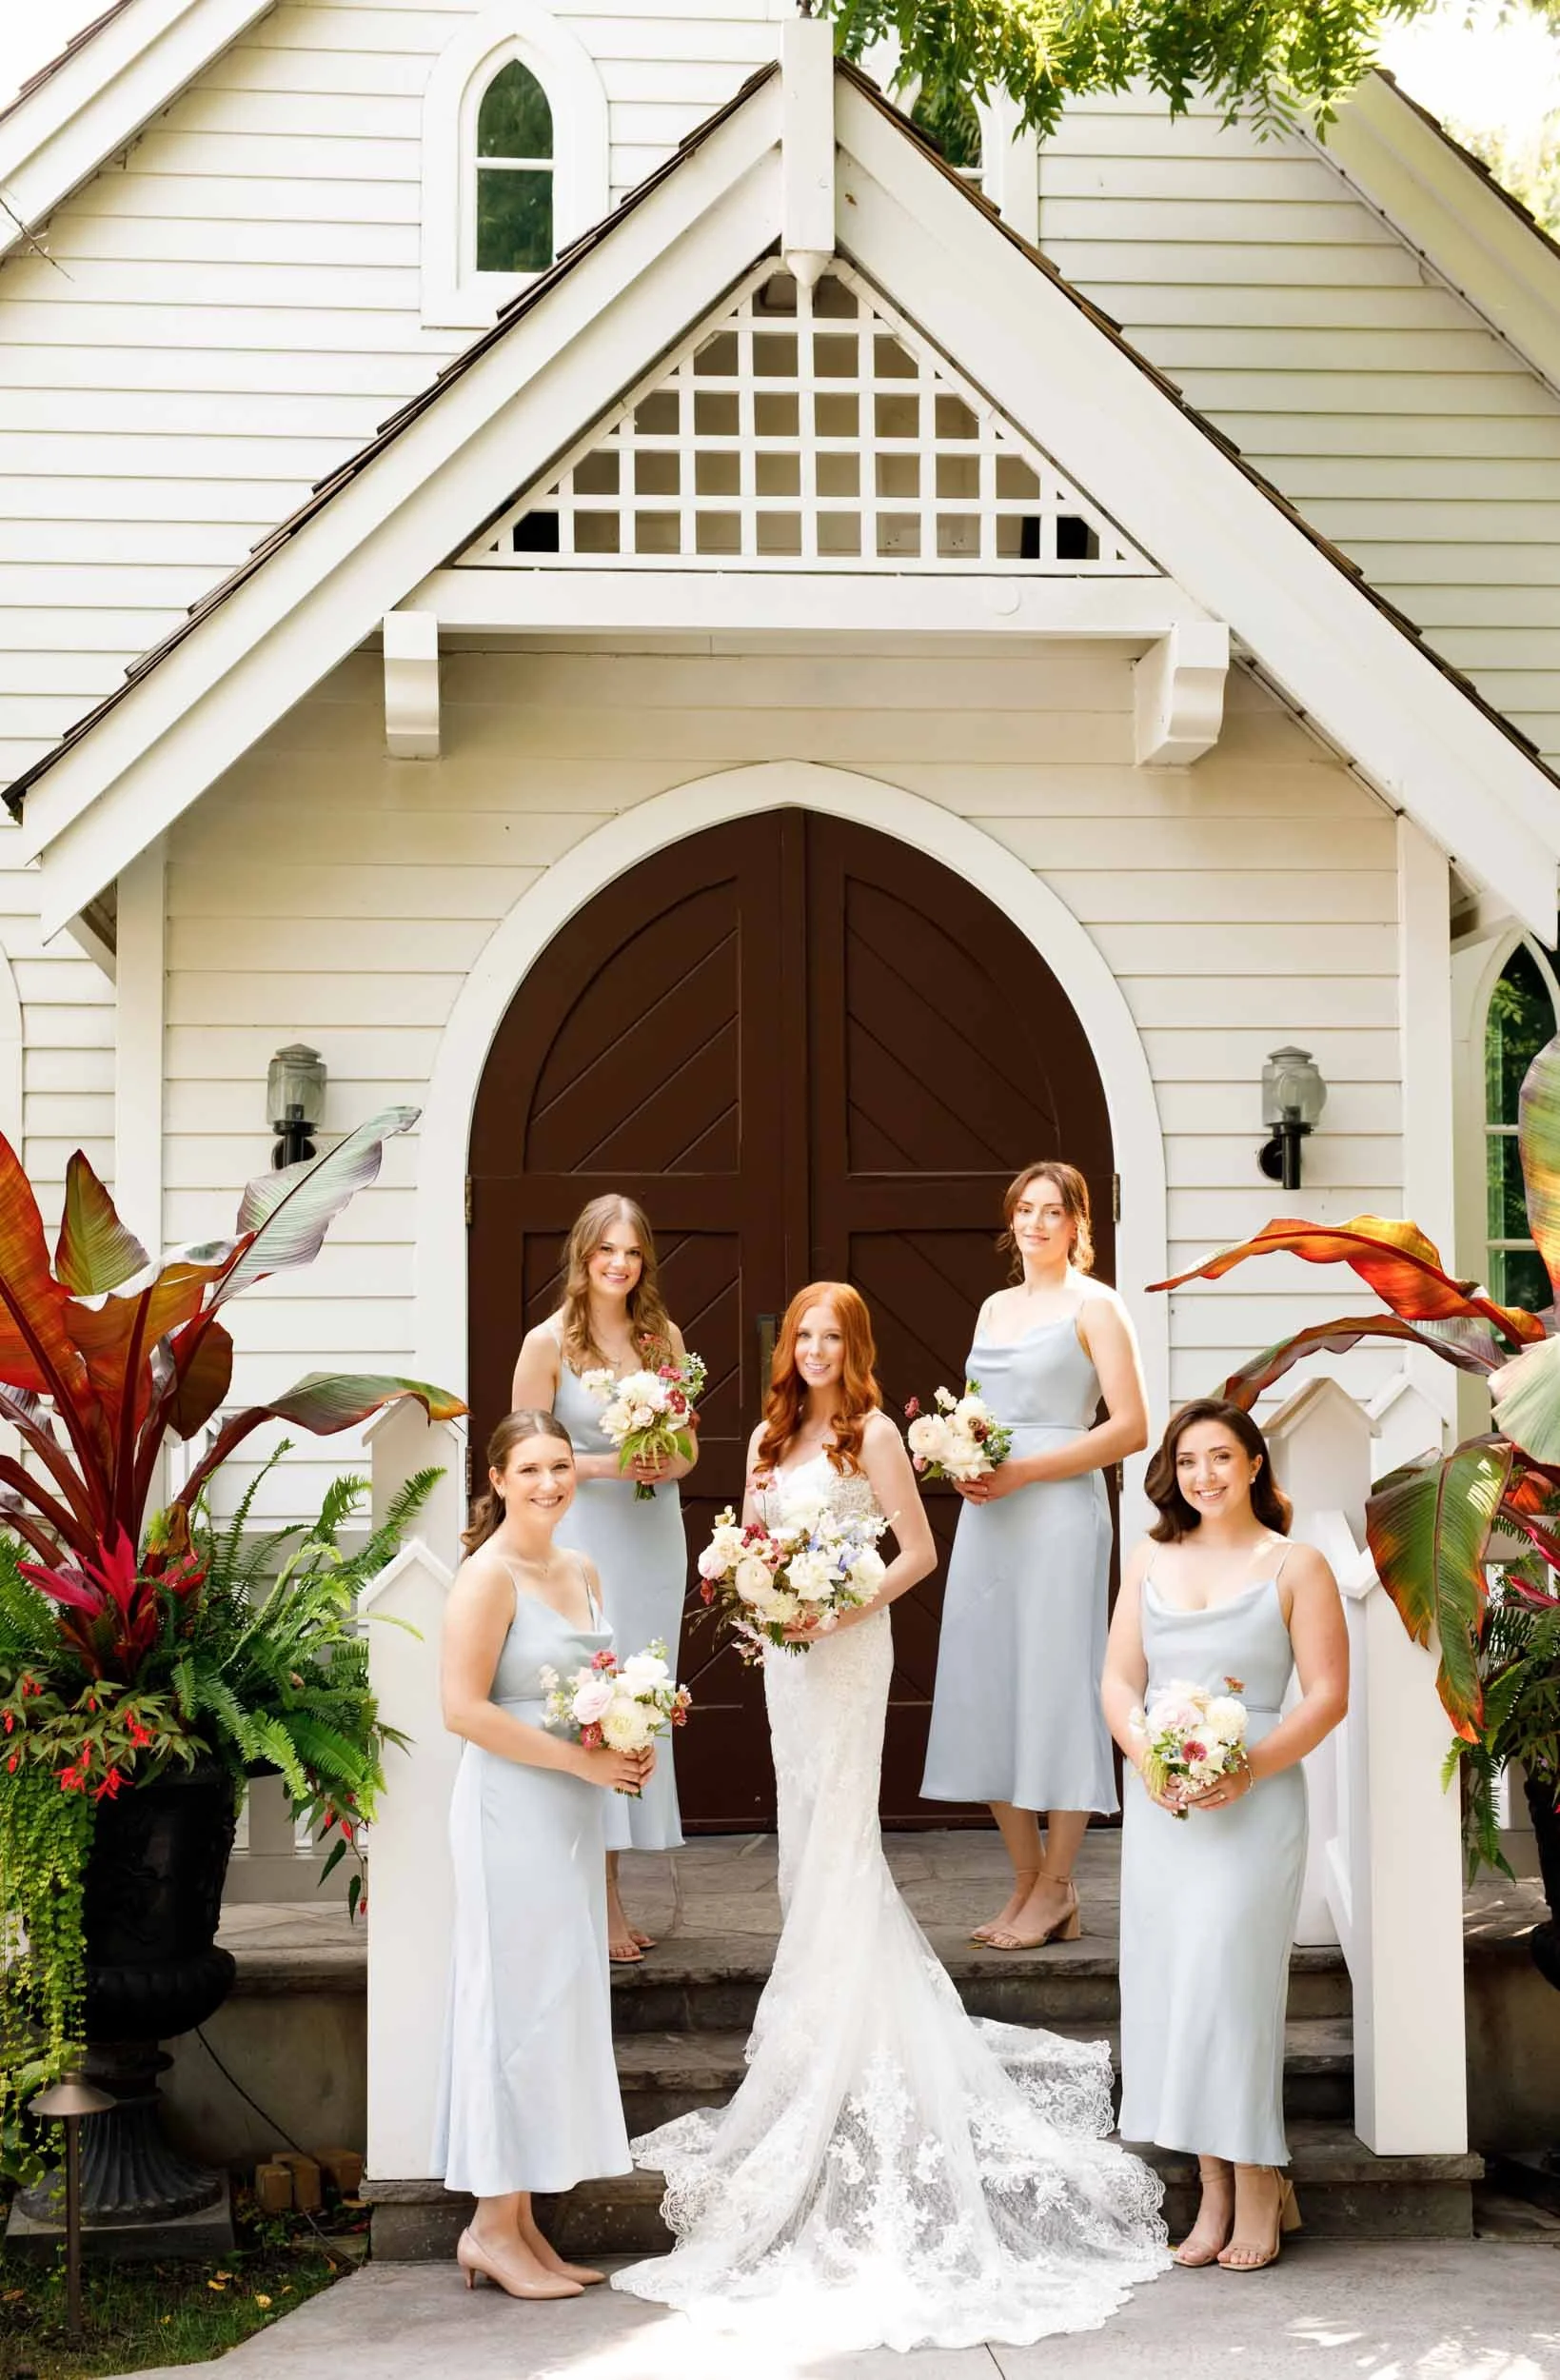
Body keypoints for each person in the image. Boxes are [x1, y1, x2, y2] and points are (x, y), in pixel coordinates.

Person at [612, 1285, 1169, 2352]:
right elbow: (735, 1546)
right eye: (802, 1335)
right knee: (802, 1825)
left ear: (854, 1347)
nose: (815, 1349)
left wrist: (838, 1603)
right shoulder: (771, 1434)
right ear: (789, 1348)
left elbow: (916, 1550)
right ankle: (811, 2011)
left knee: (841, 1833)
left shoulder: (872, 1432)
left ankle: (843, 2026)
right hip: (785, 1658)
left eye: (832, 1335)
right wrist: (750, 1592)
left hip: (850, 1648)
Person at [1103, 1398, 1349, 2272]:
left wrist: (1245, 1769)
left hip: (1256, 1802)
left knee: (1232, 1994)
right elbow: (1118, 1680)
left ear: (1253, 1464)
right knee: (1176, 1993)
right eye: (1188, 1460)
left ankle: (1258, 2183)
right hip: (1167, 1810)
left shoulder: (1297, 1565)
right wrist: (1150, 1759)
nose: (1203, 1475)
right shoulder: (1149, 1557)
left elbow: (1324, 1696)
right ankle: (1211, 2187)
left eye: (1220, 1457)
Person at [432, 1409, 652, 2299]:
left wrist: (626, 1734)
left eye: (559, 1466)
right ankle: (489, 2224)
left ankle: (521, 2223)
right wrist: (580, 1760)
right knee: (509, 2010)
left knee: (551, 2003)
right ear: (496, 1480)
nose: (548, 1484)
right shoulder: (486, 1578)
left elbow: (591, 1686)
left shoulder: (582, 1567)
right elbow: (463, 1710)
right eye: (528, 1470)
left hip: (569, 1814)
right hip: (508, 1814)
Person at [921, 1162, 1149, 1950]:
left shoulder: (1097, 1306)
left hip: (1057, 1511)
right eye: (1025, 1210)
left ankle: (1057, 1884)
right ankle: (1025, 1882)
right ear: (1010, 1221)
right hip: (991, 1518)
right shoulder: (992, 1307)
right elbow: (983, 1413)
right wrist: (965, 1458)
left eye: (1053, 1211)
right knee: (989, 1683)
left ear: (1078, 1225)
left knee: (1055, 1685)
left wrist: (1024, 1469)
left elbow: (1129, 1428)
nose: (1037, 1223)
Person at [511, 1195, 696, 1964]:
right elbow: (526, 1454)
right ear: (582, 1258)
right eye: (604, 1253)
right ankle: (598, 1897)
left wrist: (660, 1460)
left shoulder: (663, 1341)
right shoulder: (546, 1343)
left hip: (651, 1537)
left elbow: (687, 1452)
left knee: (636, 1705)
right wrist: (601, 1464)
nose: (618, 1265)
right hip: (580, 1540)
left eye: (631, 1253)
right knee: (587, 1702)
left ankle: (611, 1885)